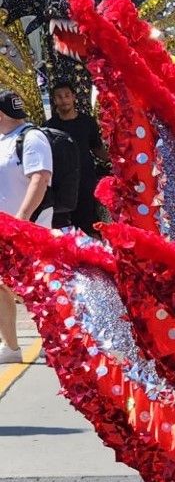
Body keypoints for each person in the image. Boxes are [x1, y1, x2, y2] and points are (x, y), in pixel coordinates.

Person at [0, 91, 53, 364]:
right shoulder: (3, 141)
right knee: (1, 286)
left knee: (35, 285)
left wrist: (22, 218)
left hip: (27, 227)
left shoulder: (31, 137)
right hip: (3, 228)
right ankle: (10, 346)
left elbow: (40, 178)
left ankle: (51, 339)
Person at [45, 80, 106, 236]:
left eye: (67, 95)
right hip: (62, 183)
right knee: (65, 226)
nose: (64, 100)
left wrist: (118, 163)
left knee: (89, 221)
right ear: (54, 100)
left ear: (74, 97)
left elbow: (97, 147)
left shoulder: (87, 122)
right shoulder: (48, 127)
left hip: (86, 179)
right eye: (59, 97)